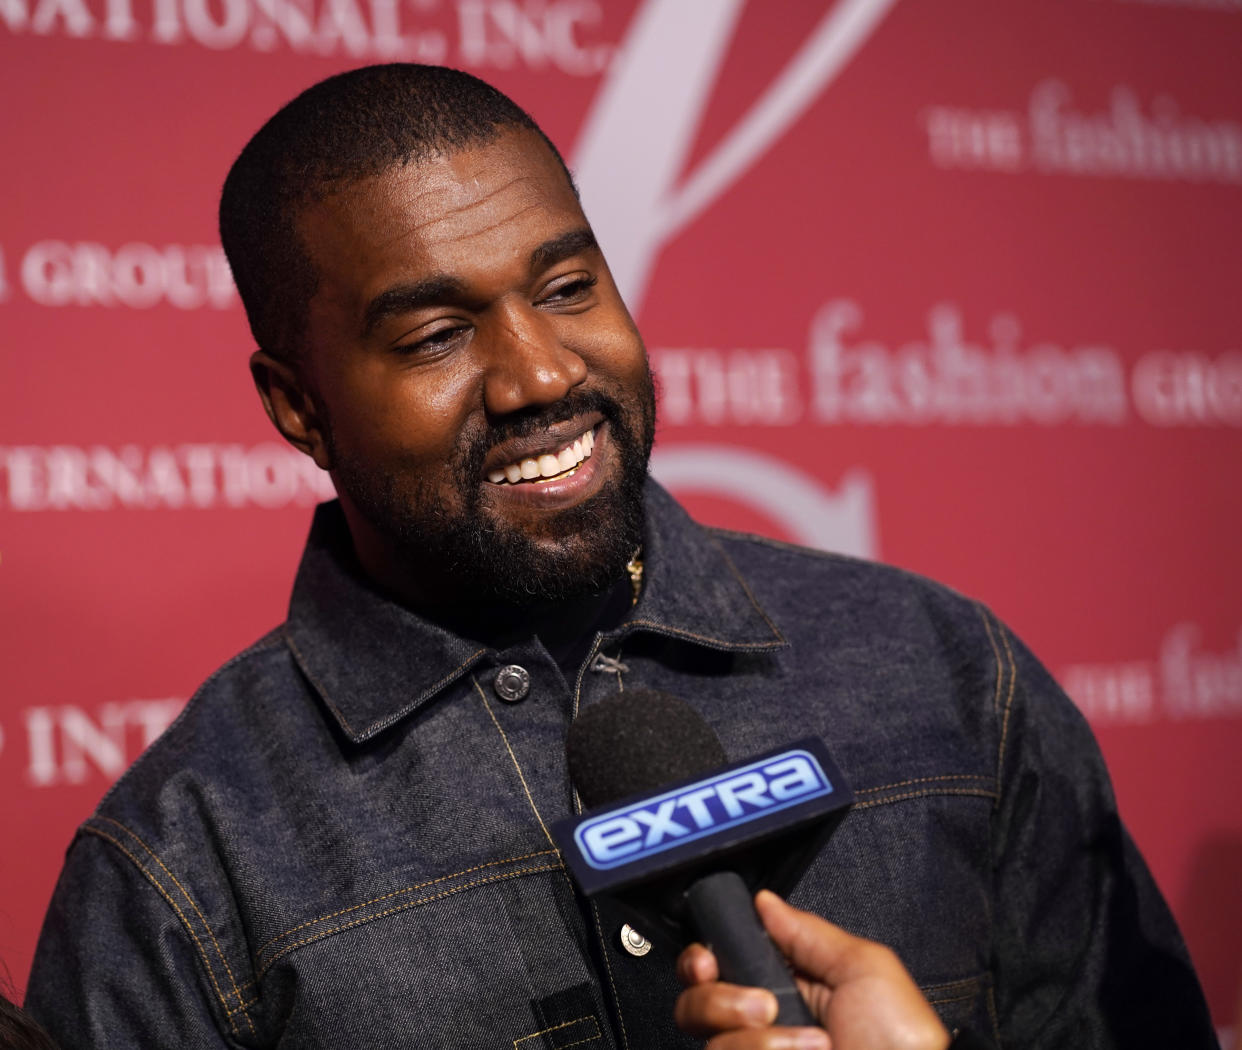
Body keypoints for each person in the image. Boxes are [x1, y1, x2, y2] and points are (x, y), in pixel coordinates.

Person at [25, 64, 1216, 1049]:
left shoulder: (950, 678)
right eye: (440, 334)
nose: (543, 373)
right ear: (298, 408)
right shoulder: (187, 863)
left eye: (568, 285)